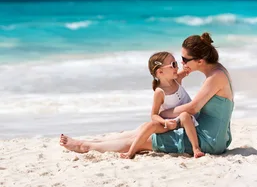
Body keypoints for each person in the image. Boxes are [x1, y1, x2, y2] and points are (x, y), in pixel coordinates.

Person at [59, 33, 234, 157]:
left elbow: (193, 107)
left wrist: (164, 114)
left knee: (144, 140)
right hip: (212, 135)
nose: (181, 63)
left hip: (209, 141)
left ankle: (85, 146)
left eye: (184, 60)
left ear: (200, 61)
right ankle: (96, 141)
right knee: (143, 129)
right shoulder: (217, 71)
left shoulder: (215, 77)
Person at [59, 51, 203, 158]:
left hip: (183, 121)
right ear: (160, 72)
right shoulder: (160, 92)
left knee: (134, 134)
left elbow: (190, 68)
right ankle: (84, 145)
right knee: (138, 132)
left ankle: (87, 143)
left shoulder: (177, 79)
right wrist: (165, 123)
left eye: (176, 63)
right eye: (173, 65)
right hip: (170, 123)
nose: (176, 67)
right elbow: (153, 115)